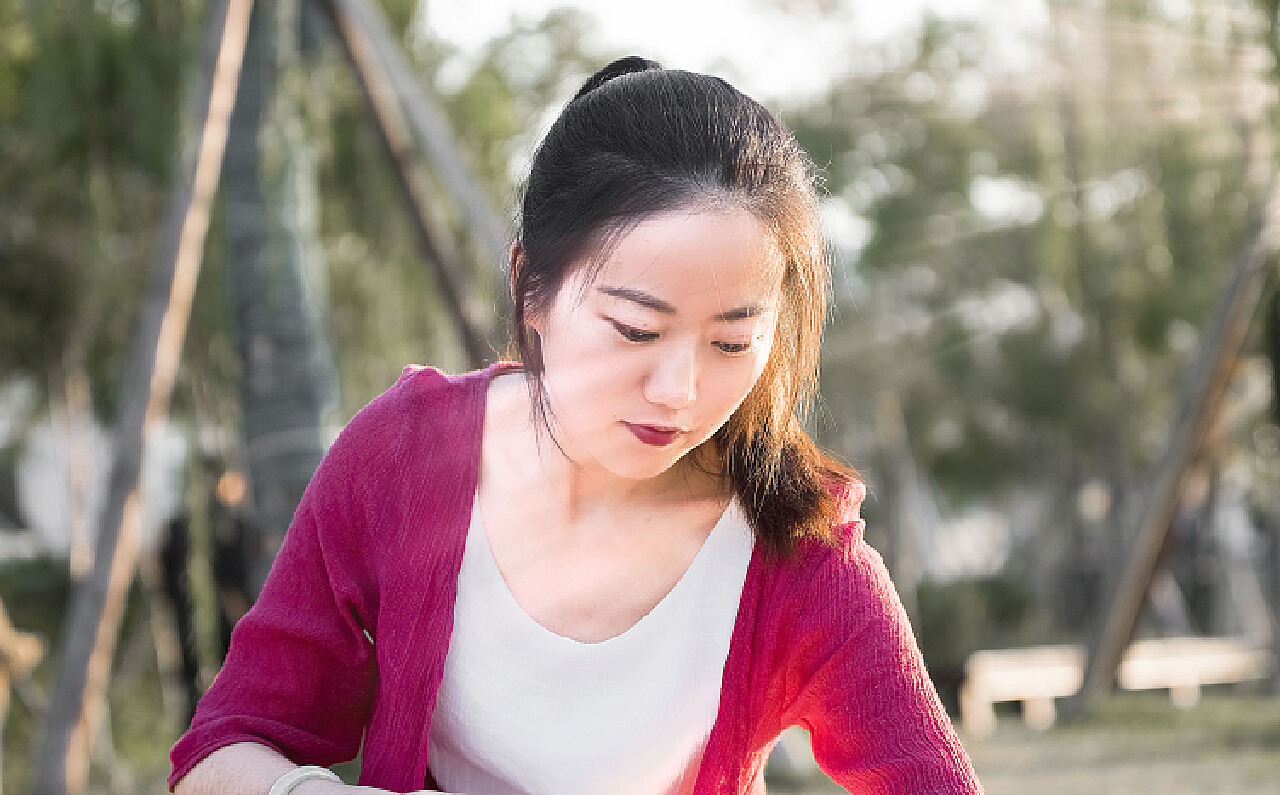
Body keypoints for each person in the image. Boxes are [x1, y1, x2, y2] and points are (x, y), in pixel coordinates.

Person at [169, 57, 982, 795]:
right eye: (635, 329)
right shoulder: (405, 455)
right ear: (533, 289)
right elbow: (219, 753)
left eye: (733, 342)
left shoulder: (797, 552)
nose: (680, 390)